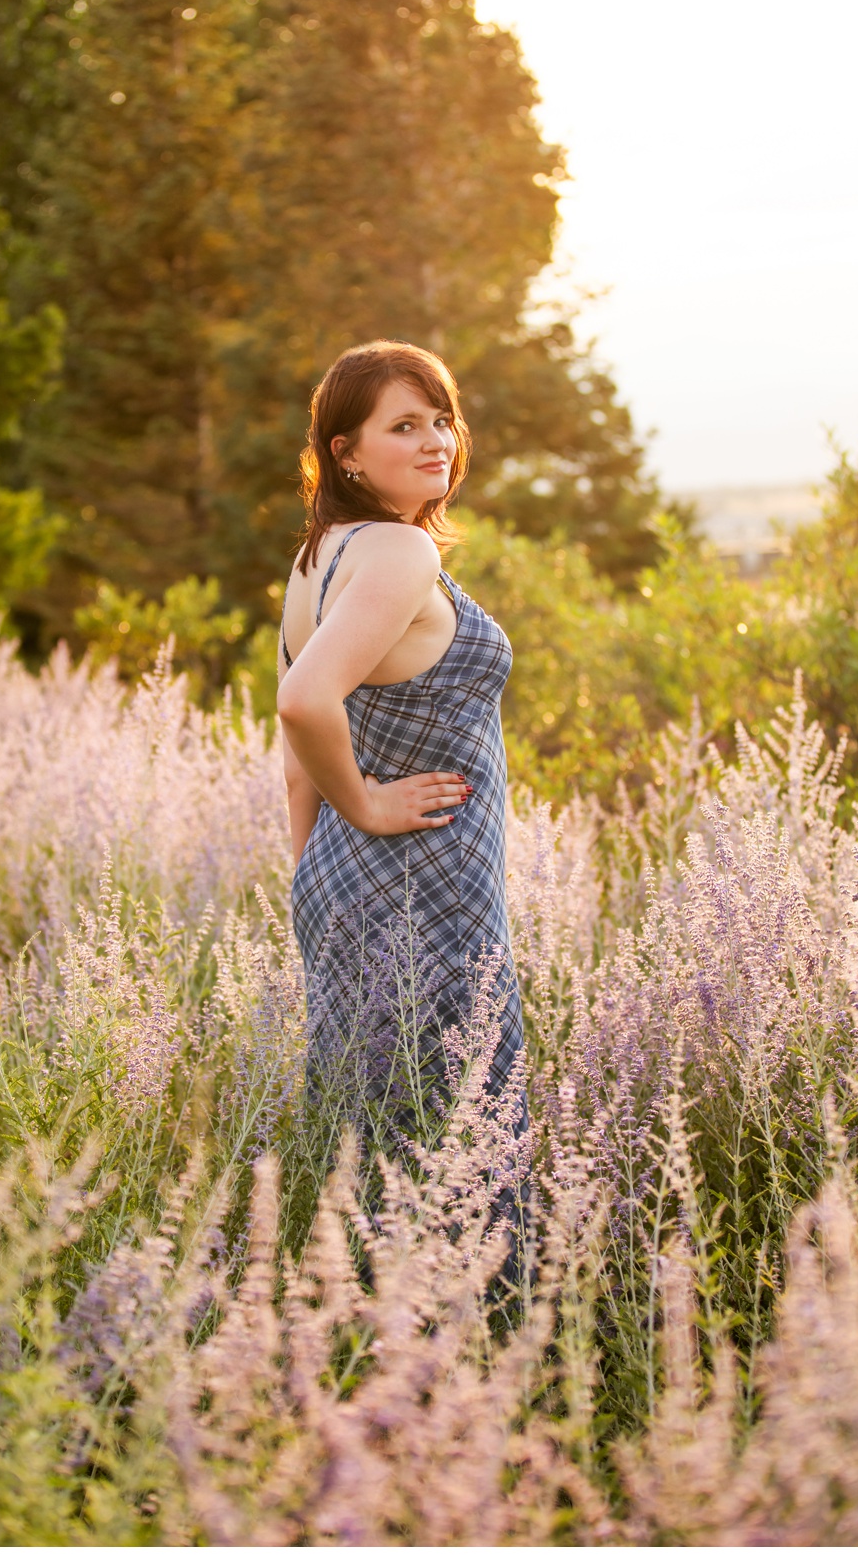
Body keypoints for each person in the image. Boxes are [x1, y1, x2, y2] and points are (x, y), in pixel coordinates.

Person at [275, 339, 529, 1300]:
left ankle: (355, 1324)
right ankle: (476, 1337)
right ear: (345, 452)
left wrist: (316, 872)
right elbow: (304, 704)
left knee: (370, 1134)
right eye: (404, 425)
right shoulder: (399, 549)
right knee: (459, 1128)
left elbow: (292, 752)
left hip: (345, 880)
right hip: (425, 883)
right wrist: (372, 805)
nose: (436, 442)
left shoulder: (317, 559)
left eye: (441, 420)